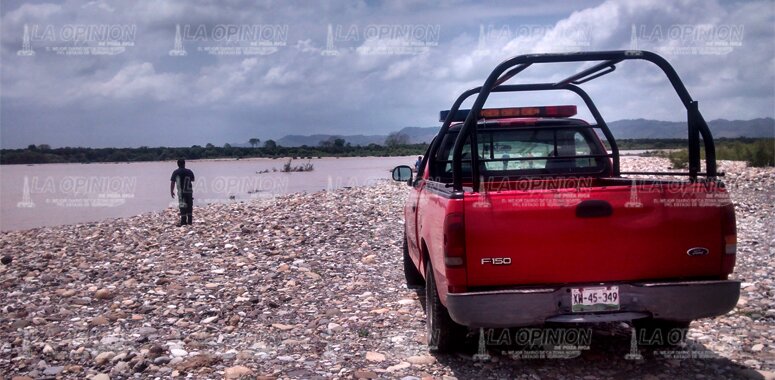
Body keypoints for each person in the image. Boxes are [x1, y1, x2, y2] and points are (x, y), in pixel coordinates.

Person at [170, 159, 195, 226]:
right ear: (184, 164)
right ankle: (190, 222)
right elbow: (193, 179)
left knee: (182, 206)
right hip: (189, 191)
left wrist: (171, 191)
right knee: (189, 205)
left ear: (178, 164)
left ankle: (183, 222)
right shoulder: (189, 171)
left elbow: (172, 182)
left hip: (181, 192)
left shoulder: (175, 172)